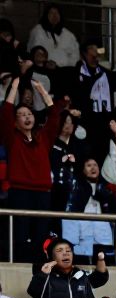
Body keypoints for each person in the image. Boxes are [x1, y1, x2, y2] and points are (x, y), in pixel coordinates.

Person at [1, 77, 61, 259]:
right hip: (20, 191)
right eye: (22, 115)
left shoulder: (44, 138)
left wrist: (42, 92)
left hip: (43, 192)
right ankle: (20, 263)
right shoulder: (12, 139)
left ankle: (39, 266)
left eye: (29, 114)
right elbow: (6, 113)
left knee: (41, 235)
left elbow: (55, 116)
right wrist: (14, 88)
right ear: (15, 122)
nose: (27, 117)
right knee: (20, 234)